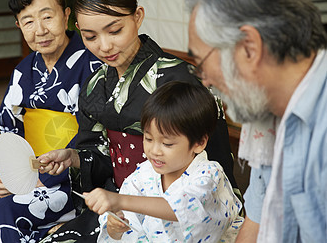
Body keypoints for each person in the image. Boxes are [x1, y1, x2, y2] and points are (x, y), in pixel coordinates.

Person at [37, 0, 238, 242]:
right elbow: (99, 156)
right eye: (90, 36)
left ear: (138, 17)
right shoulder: (95, 86)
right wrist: (72, 157)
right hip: (121, 206)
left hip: (184, 212)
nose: (105, 46)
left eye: (115, 30)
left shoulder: (181, 79)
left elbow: (215, 161)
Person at [184, 0, 326, 243]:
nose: (206, 80)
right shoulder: (266, 112)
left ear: (249, 48)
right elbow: (258, 219)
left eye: (202, 63)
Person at [0, 0, 101, 242]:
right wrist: (4, 173)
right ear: (19, 25)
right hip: (27, 175)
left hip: (71, 178)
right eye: (28, 21)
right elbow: (7, 131)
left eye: (47, 17)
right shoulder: (23, 72)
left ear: (66, 15)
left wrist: (45, 177)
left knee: (5, 217)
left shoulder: (93, 65)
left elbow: (96, 135)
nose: (40, 30)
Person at [84, 81, 243, 242]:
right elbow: (127, 228)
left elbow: (182, 208)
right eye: (148, 138)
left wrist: (119, 200)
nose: (154, 151)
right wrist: (115, 228)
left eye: (167, 144)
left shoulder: (209, 174)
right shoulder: (143, 175)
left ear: (199, 143)